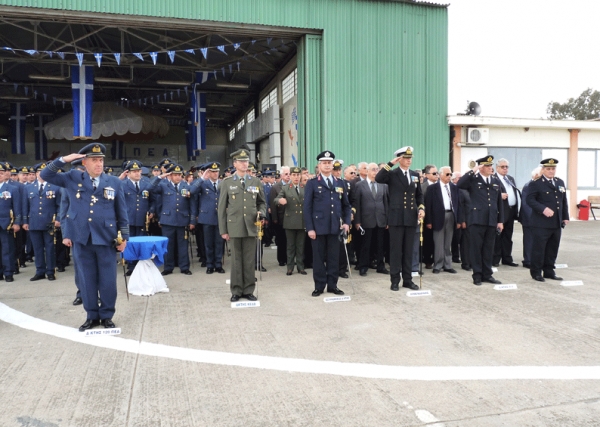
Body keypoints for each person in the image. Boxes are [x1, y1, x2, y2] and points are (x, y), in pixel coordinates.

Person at [40, 143, 129, 331]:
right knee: (86, 280)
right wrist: (64, 159)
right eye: (95, 160)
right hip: (82, 237)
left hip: (106, 238)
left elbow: (122, 213)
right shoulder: (73, 178)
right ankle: (91, 315)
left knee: (108, 281)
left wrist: (124, 239)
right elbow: (45, 175)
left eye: (101, 160)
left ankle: (106, 315)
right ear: (85, 162)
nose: (99, 164)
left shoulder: (114, 182)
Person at [218, 149, 266, 301]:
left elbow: (261, 202)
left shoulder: (255, 181)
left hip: (251, 225)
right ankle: (236, 291)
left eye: (246, 161)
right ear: (235, 164)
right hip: (235, 226)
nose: (245, 164)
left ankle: (249, 290)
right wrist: (223, 230)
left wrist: (261, 212)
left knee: (249, 259)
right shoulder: (227, 183)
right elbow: (221, 209)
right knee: (236, 261)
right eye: (241, 161)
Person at [375, 146, 424, 291]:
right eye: (406, 158)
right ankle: (395, 280)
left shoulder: (415, 175)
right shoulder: (392, 173)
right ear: (399, 159)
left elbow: (419, 195)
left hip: (410, 216)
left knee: (409, 251)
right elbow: (379, 178)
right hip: (396, 217)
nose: (409, 161)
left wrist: (421, 208)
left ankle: (407, 280)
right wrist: (390, 164)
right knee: (396, 251)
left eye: (410, 158)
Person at [304, 151, 351, 297]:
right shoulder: (312, 183)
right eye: (324, 163)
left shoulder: (340, 182)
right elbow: (307, 207)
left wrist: (347, 223)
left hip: (335, 227)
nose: (327, 165)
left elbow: (346, 206)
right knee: (318, 258)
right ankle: (319, 286)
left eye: (329, 163)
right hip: (318, 228)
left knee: (333, 258)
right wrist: (310, 228)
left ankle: (333, 285)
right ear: (319, 165)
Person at [457, 155, 504, 286]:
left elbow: (499, 202)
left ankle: (487, 274)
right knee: (476, 249)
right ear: (481, 167)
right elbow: (460, 184)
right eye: (487, 166)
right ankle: (477, 275)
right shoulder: (473, 179)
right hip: (477, 219)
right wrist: (473, 170)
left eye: (491, 165)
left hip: (491, 220)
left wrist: (500, 221)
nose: (490, 168)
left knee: (488, 249)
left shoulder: (495, 180)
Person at [151, 164, 199, 276]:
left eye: (179, 175)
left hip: (182, 220)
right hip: (168, 220)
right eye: (175, 175)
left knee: (183, 245)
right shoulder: (164, 185)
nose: (178, 177)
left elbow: (192, 204)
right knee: (168, 246)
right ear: (170, 175)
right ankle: (168, 267)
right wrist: (161, 176)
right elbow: (150, 188)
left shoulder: (186, 186)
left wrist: (192, 221)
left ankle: (184, 267)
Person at [525, 158, 569, 282]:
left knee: (552, 248)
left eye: (553, 169)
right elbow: (530, 200)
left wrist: (565, 216)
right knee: (539, 248)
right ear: (543, 169)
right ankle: (536, 272)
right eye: (548, 169)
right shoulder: (536, 183)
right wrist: (543, 209)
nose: (551, 171)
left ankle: (549, 271)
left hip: (556, 222)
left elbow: (563, 201)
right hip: (541, 223)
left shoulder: (559, 182)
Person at [24, 162, 61, 281]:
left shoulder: (55, 187)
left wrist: (59, 219)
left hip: (50, 221)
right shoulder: (28, 187)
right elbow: (25, 206)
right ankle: (40, 271)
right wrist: (25, 221)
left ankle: (50, 271)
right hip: (34, 222)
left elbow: (60, 205)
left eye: (44, 172)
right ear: (35, 174)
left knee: (50, 247)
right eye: (39, 172)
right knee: (37, 248)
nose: (41, 174)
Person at [119, 160, 155, 275]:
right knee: (129, 243)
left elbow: (153, 200)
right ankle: (131, 266)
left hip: (142, 219)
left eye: (139, 171)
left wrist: (152, 211)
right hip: (128, 219)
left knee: (141, 243)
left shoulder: (146, 183)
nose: (137, 174)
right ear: (128, 173)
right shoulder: (123, 184)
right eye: (134, 172)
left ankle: (142, 265)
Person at [353, 163, 389, 276]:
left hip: (380, 219)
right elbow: (356, 204)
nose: (376, 172)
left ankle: (380, 266)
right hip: (366, 219)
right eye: (373, 169)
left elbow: (386, 203)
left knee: (380, 245)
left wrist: (387, 220)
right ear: (367, 171)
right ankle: (363, 266)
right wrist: (357, 221)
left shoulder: (383, 185)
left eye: (377, 170)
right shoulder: (360, 185)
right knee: (365, 245)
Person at [424, 166, 459, 274]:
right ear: (440, 175)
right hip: (438, 217)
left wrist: (459, 220)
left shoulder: (454, 187)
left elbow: (458, 204)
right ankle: (438, 265)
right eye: (447, 174)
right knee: (438, 242)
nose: (449, 176)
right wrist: (428, 221)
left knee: (448, 242)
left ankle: (447, 265)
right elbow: (428, 206)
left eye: (450, 174)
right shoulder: (432, 188)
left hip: (451, 215)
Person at [275, 166, 306, 275]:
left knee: (300, 245)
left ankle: (301, 267)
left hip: (302, 221)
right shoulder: (286, 188)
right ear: (291, 176)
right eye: (294, 175)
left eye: (298, 175)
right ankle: (290, 267)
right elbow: (276, 199)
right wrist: (280, 200)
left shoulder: (304, 187)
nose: (296, 177)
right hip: (290, 221)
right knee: (290, 246)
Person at [196, 162, 225, 274]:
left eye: (217, 171)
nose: (215, 174)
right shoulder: (203, 183)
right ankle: (209, 265)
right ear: (208, 172)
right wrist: (202, 178)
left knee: (219, 243)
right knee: (208, 243)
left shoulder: (223, 183)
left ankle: (218, 264)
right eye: (212, 171)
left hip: (220, 217)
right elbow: (192, 190)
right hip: (207, 217)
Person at [493, 158, 521, 267]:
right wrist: (498, 196)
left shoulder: (510, 178)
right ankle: (495, 259)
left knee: (508, 236)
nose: (505, 169)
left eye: (506, 167)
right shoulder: (493, 179)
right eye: (502, 167)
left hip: (511, 209)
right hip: (500, 211)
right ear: (497, 168)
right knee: (498, 235)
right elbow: (488, 194)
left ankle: (507, 258)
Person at [0, 162, 23, 282]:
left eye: (2, 173)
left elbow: (17, 208)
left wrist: (17, 222)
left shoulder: (12, 189)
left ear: (5, 175)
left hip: (6, 224)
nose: (0, 175)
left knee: (7, 249)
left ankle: (8, 272)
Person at [519, 166, 542, 269]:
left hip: (538, 219)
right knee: (529, 240)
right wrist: (532, 217)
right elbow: (525, 204)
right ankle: (528, 260)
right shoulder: (529, 186)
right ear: (536, 175)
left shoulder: (539, 185)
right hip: (529, 218)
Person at [270, 166, 290, 267]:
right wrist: (274, 218)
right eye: (286, 174)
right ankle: (281, 259)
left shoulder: (292, 185)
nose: (288, 176)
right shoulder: (276, 187)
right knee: (281, 240)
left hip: (291, 217)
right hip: (281, 218)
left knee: (290, 240)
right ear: (281, 175)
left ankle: (289, 258)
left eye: (289, 174)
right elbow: (273, 205)